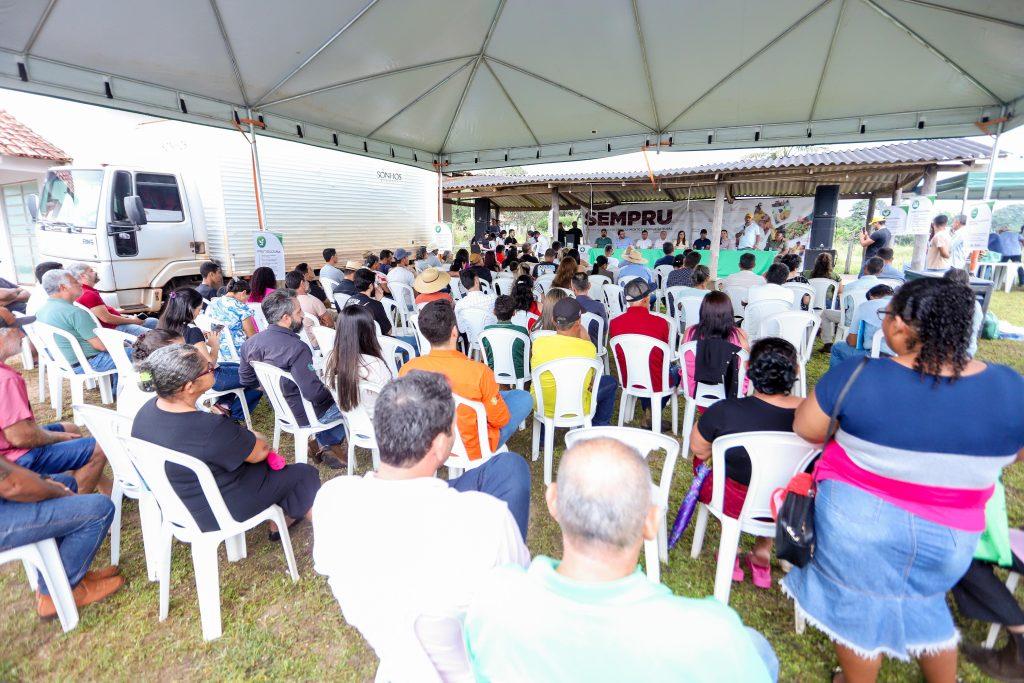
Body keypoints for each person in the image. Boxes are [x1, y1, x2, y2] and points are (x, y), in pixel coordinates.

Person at [782, 277, 1024, 682]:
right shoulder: (1011, 387)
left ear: (899, 324)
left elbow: (806, 427)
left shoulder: (860, 375)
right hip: (954, 534)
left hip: (859, 526)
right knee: (926, 602)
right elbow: (1014, 452)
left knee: (857, 608)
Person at [464, 436, 775, 682]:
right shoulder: (716, 638)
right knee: (758, 647)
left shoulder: (491, 603)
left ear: (553, 502)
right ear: (651, 522)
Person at [311, 372, 530, 682]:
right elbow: (515, 605)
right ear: (440, 444)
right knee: (510, 470)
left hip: (394, 652)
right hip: (473, 666)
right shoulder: (485, 521)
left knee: (508, 466)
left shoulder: (332, 501)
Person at [132, 344, 320, 535]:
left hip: (178, 503)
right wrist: (254, 436)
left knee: (272, 473)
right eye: (208, 368)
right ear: (189, 386)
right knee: (303, 474)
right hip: (217, 509)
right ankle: (290, 524)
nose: (213, 367)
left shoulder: (145, 412)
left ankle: (280, 519)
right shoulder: (208, 427)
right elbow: (260, 451)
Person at [690, 337, 802, 590]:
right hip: (788, 505)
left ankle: (730, 546)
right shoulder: (810, 416)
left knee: (703, 464)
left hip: (734, 499)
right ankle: (763, 551)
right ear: (795, 371)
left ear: (749, 368)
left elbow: (698, 449)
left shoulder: (724, 411)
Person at [400, 301, 532, 456]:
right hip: (474, 445)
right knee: (523, 397)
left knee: (499, 396)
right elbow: (500, 420)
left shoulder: (407, 370)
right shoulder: (479, 372)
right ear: (454, 332)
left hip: (432, 441)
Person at [0, 308, 109, 494]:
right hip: (13, 459)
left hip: (8, 447)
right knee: (100, 447)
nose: (22, 335)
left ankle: (107, 488)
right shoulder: (6, 379)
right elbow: (20, 437)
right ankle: (75, 503)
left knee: (71, 428)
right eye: (16, 329)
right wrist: (56, 437)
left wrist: (57, 434)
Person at [239, 290, 347, 468]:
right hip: (307, 414)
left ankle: (321, 443)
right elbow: (314, 394)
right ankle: (328, 442)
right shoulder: (296, 347)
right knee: (350, 399)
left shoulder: (250, 344)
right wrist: (335, 391)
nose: (303, 315)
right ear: (286, 318)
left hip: (282, 410)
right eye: (299, 312)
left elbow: (246, 380)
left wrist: (272, 390)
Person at [158, 287, 262, 421]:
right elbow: (209, 365)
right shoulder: (192, 330)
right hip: (208, 377)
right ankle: (233, 415)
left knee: (242, 368)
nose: (199, 312)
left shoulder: (165, 326)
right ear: (190, 309)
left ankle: (223, 405)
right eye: (199, 309)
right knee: (257, 375)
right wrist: (214, 345)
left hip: (187, 377)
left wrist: (200, 339)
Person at [531, 298, 618, 427]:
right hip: (578, 407)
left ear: (553, 320)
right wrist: (586, 339)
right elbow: (591, 382)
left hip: (543, 406)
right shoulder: (588, 348)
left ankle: (544, 435)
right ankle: (599, 425)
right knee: (611, 382)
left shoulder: (538, 343)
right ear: (578, 322)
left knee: (548, 386)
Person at [34, 269, 122, 391]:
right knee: (139, 354)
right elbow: (101, 346)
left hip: (64, 363)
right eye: (75, 281)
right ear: (63, 287)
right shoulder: (75, 312)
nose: (80, 283)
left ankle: (116, 390)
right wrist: (125, 343)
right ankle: (126, 392)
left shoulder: (41, 311)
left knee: (127, 351)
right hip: (89, 363)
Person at [609, 280, 680, 423]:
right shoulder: (660, 323)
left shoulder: (614, 323)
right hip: (656, 381)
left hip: (628, 377)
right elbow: (664, 356)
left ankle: (648, 410)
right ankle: (651, 410)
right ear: (646, 299)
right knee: (677, 371)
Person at [324, 305, 392, 420]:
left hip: (353, 422)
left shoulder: (329, 359)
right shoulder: (375, 364)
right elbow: (390, 400)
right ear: (369, 331)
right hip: (382, 423)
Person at [681, 291, 750, 397]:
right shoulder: (740, 336)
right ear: (729, 312)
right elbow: (746, 366)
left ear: (703, 310)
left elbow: (684, 362)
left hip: (694, 391)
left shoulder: (689, 332)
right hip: (731, 393)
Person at [67, 262, 158, 336]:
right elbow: (107, 319)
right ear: (83, 276)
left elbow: (101, 313)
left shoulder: (83, 291)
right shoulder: (88, 294)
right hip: (114, 329)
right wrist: (134, 321)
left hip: (114, 325)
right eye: (91, 271)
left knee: (153, 322)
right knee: (157, 336)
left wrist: (123, 315)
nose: (95, 272)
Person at [827, 284, 894, 366]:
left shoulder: (865, 306)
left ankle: (840, 374)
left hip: (874, 356)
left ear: (871, 296)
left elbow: (852, 342)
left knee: (838, 347)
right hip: (903, 360)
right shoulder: (906, 306)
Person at [205, 277, 257, 360]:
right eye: (247, 298)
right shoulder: (241, 307)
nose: (245, 302)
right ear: (243, 293)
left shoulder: (213, 303)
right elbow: (252, 336)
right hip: (238, 352)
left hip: (217, 350)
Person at [481, 294, 530, 381]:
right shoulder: (522, 331)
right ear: (514, 313)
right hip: (519, 373)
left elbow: (484, 356)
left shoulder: (486, 331)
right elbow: (528, 355)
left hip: (494, 372)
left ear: (494, 312)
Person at [944, 267, 983, 358]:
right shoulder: (975, 305)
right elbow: (976, 328)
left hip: (944, 351)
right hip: (967, 351)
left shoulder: (939, 303)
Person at [284, 270, 334, 340]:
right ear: (302, 283)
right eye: (306, 281)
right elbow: (330, 324)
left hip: (298, 339)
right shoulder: (314, 301)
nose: (308, 283)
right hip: (318, 341)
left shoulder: (286, 302)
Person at [455, 269, 497, 333]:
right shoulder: (493, 298)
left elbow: (462, 330)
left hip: (473, 339)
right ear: (476, 280)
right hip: (492, 335)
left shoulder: (459, 305)